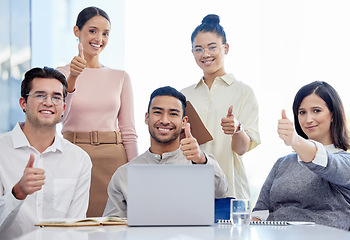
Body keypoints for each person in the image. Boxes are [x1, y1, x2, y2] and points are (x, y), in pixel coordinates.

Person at [56, 6, 138, 217]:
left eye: (105, 33)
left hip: (113, 157)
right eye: (92, 31)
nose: (99, 38)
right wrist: (73, 77)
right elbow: (58, 117)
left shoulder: (120, 77)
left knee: (114, 225)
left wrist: (137, 171)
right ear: (77, 31)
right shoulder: (59, 74)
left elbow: (128, 130)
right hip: (73, 153)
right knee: (75, 222)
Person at [103, 86, 228, 217]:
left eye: (173, 114)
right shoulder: (124, 174)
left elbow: (221, 192)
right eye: (157, 112)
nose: (164, 120)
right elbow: (112, 225)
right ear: (147, 118)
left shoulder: (200, 163)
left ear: (184, 122)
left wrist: (201, 160)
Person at [0, 67, 92, 239]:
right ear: (23, 103)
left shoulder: (79, 160)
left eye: (56, 97)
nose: (48, 102)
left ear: (63, 107)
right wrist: (17, 194)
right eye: (40, 95)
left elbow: (77, 228)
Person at [181, 14, 260, 199]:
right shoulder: (183, 95)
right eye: (198, 49)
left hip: (230, 191)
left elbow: (241, 149)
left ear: (226, 48)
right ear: (192, 52)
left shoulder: (243, 92)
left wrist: (236, 129)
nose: (205, 54)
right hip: (191, 189)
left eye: (212, 47)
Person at [252, 81, 350, 230]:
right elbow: (261, 213)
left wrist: (295, 141)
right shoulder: (282, 163)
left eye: (316, 110)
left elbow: (325, 162)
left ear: (333, 115)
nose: (308, 119)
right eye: (302, 112)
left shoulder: (345, 162)